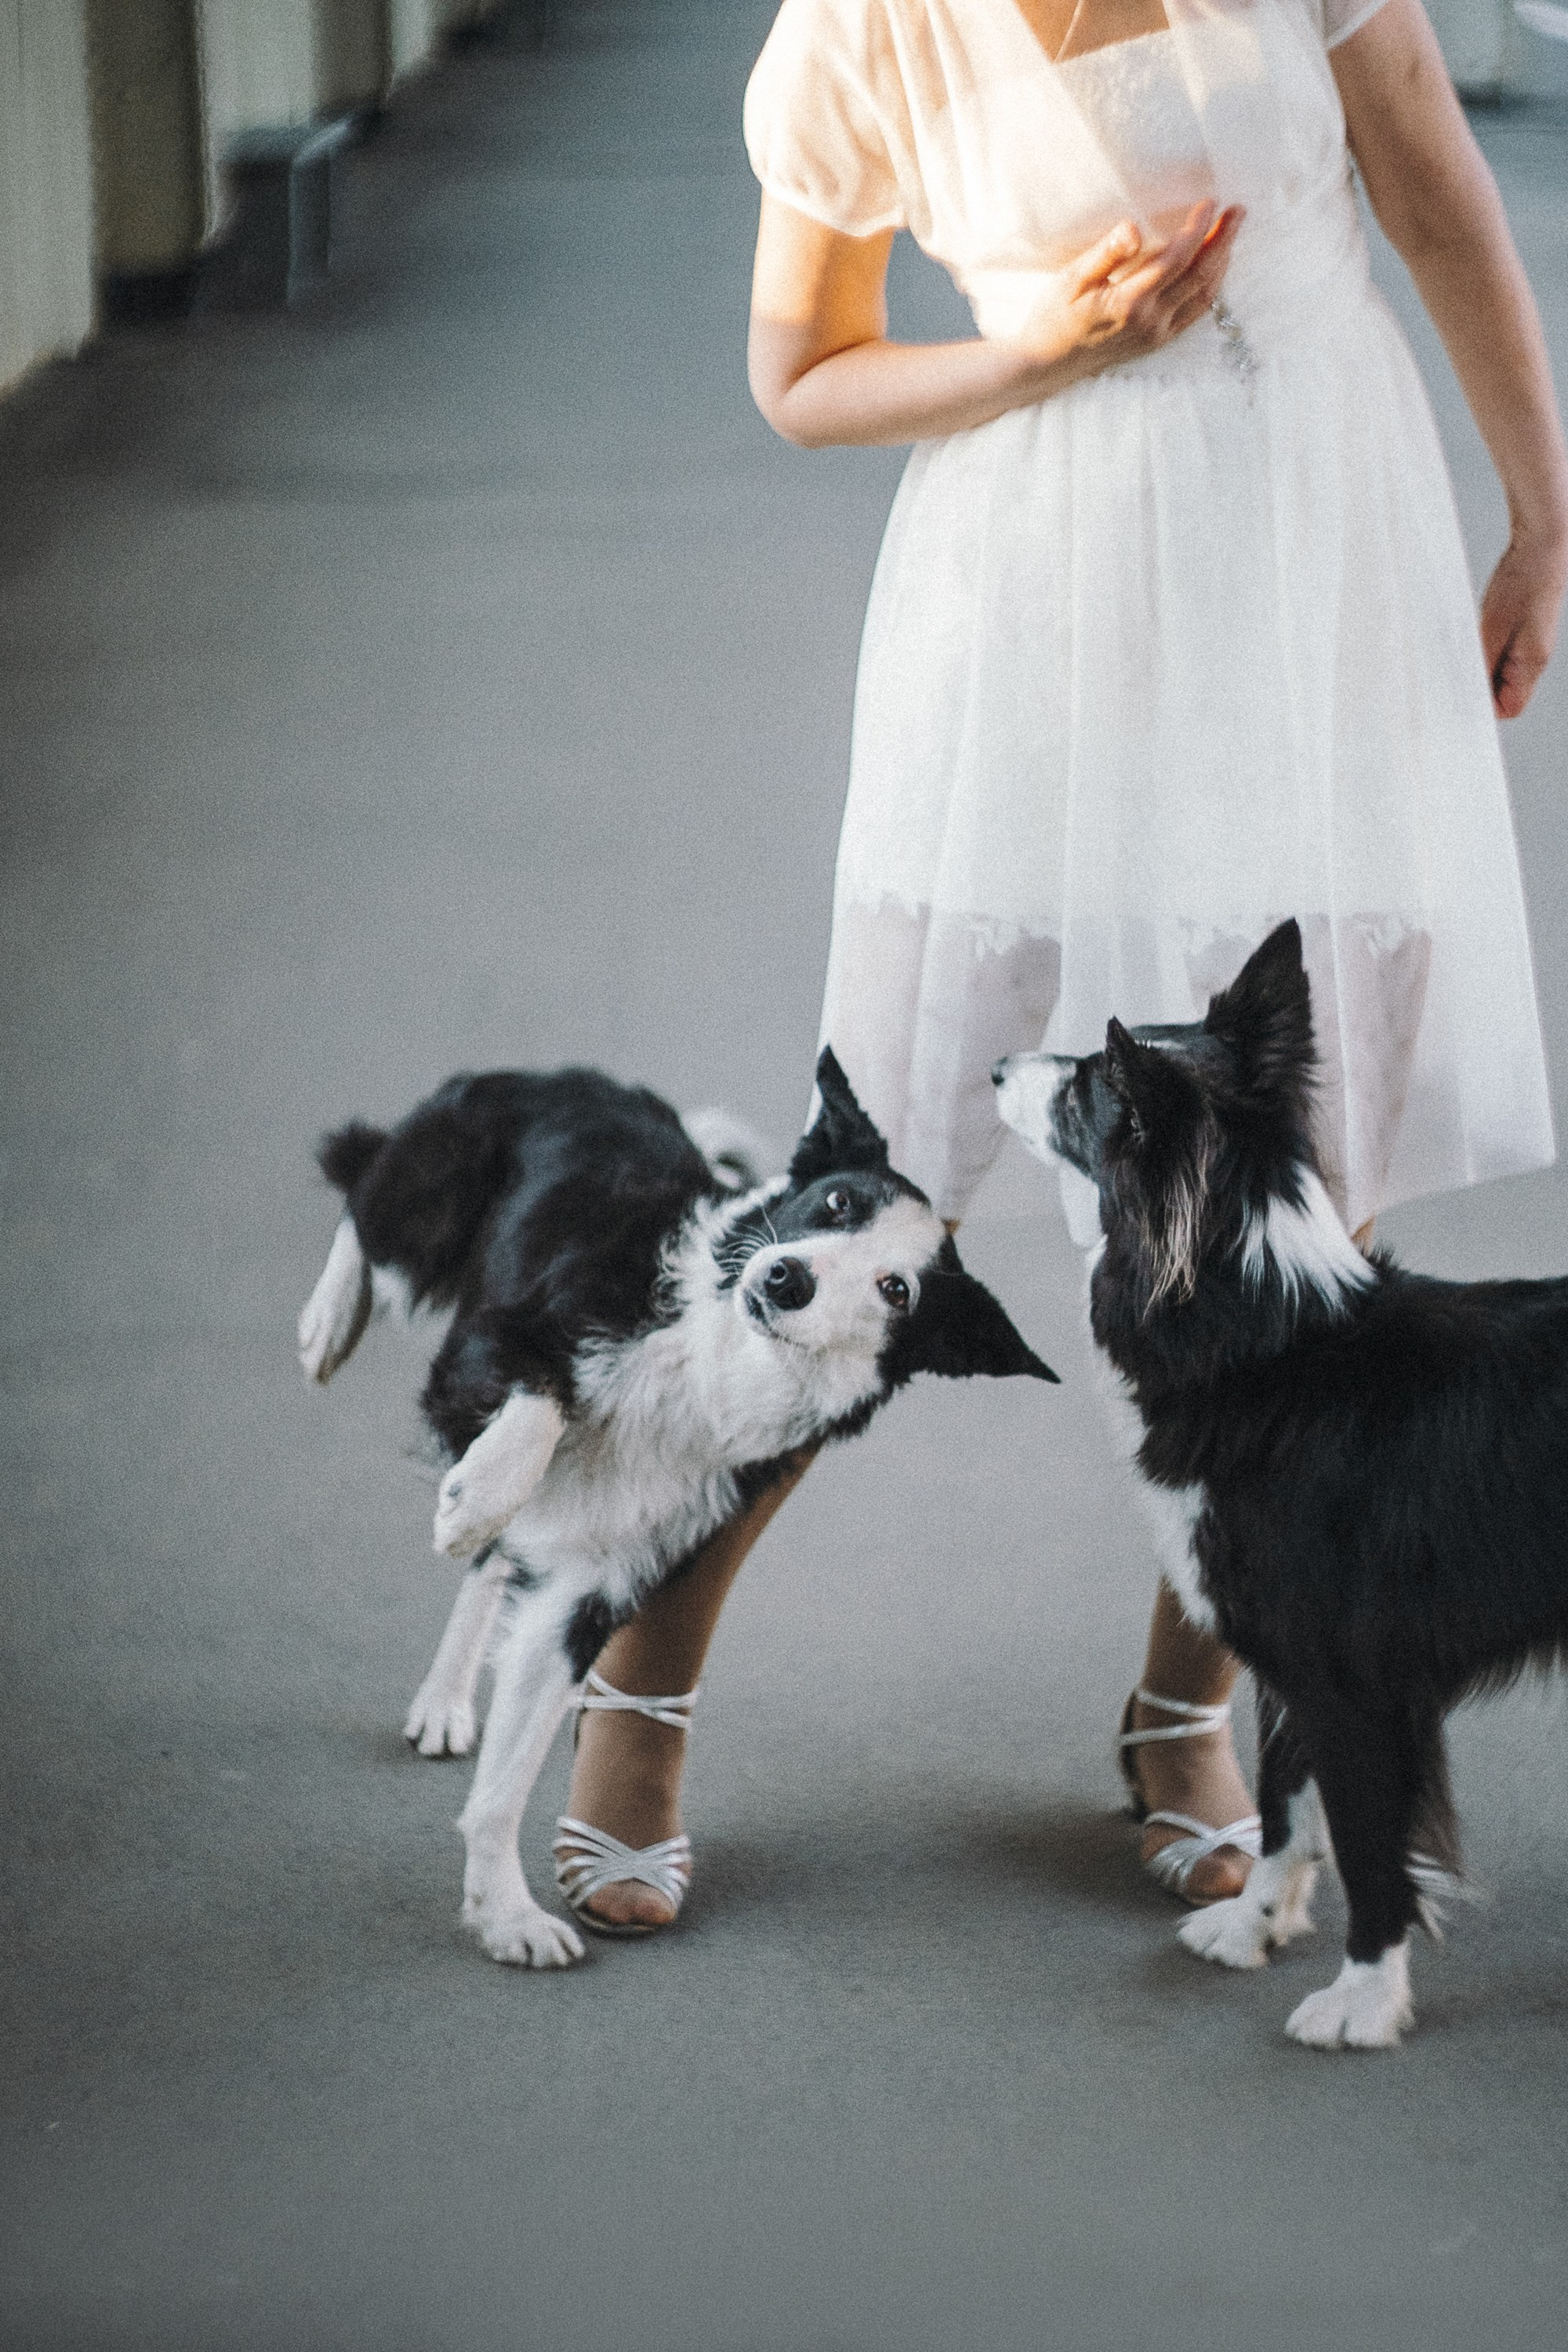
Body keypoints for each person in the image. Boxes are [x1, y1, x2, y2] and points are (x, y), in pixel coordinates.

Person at [553, 0, 1568, 1933]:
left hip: (1311, 584)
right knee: (872, 1200)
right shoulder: (865, 26)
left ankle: (1187, 1698)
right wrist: (1035, 348)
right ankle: (643, 1684)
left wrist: (1539, 503)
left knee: (1279, 1199)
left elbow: (1428, 169)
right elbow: (801, 371)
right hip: (1029, 603)